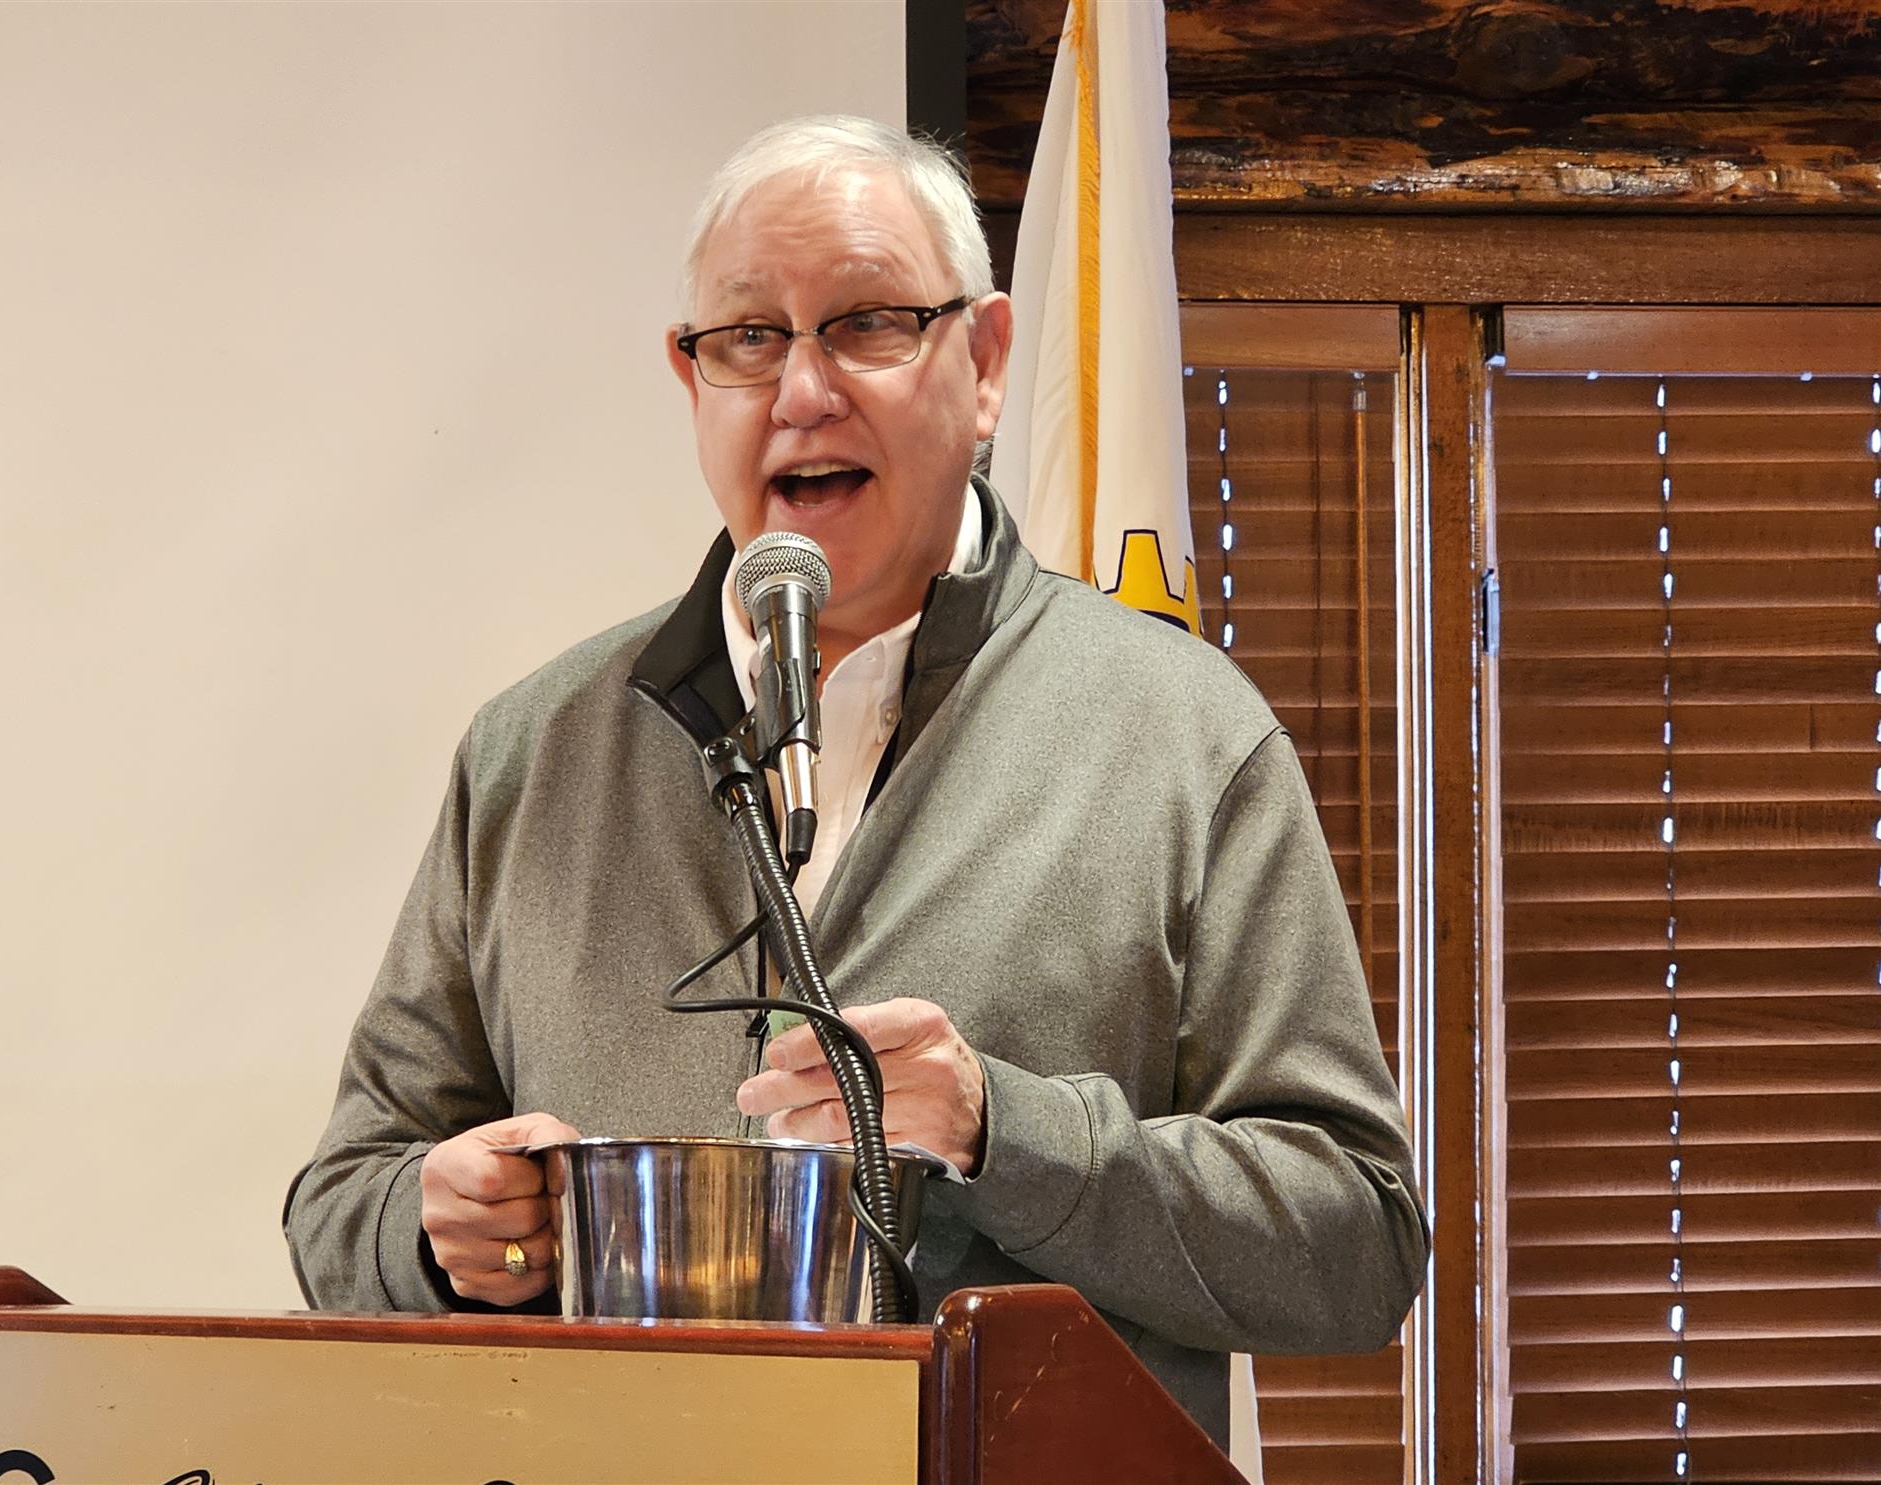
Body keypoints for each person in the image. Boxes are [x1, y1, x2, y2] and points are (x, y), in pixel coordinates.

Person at [284, 115, 1428, 1451]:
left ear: (985, 364)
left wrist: (1007, 1131)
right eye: (748, 338)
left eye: (868, 324)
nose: (802, 390)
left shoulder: (1183, 735)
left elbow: (1357, 1243)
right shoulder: (532, 750)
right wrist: (435, 1228)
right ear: (692, 378)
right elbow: (341, 1205)